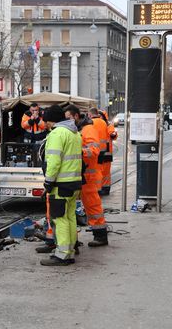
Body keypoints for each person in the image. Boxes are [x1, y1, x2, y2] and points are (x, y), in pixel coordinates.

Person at [40, 105, 83, 266]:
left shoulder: (57, 133)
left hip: (61, 185)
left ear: (51, 120)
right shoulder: (74, 133)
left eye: (46, 121)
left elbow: (53, 161)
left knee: (60, 218)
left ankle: (63, 254)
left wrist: (48, 182)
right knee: (71, 217)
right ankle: (70, 250)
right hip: (74, 183)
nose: (45, 125)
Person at [65, 105, 108, 247]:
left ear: (76, 117)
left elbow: (94, 150)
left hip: (88, 175)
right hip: (81, 174)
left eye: (69, 118)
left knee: (92, 206)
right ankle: (76, 238)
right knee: (81, 206)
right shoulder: (80, 129)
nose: (67, 121)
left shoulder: (88, 129)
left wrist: (76, 151)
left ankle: (100, 235)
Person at [89, 108, 110, 195]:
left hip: (94, 149)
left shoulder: (91, 123)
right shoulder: (103, 123)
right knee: (101, 170)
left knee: (95, 170)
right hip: (103, 150)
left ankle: (97, 188)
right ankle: (101, 187)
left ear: (90, 114)